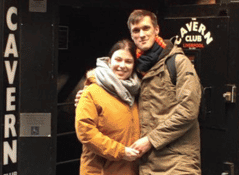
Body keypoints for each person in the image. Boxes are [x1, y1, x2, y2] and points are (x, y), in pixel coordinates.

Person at [127, 9, 202, 175]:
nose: (141, 34)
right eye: (136, 30)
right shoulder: (134, 68)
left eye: (146, 28)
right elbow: (111, 87)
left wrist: (150, 140)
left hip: (177, 163)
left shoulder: (177, 62)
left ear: (156, 30)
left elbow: (188, 111)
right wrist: (86, 94)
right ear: (131, 36)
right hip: (147, 163)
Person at [75, 39, 142, 175]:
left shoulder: (137, 92)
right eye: (118, 60)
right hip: (99, 171)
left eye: (128, 61)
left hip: (129, 170)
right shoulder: (92, 91)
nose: (122, 65)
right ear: (109, 61)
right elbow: (85, 131)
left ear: (134, 65)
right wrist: (121, 152)